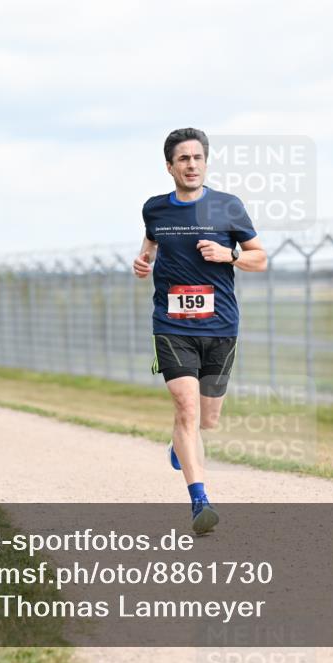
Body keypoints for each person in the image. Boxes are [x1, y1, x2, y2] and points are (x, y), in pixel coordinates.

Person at [133, 128, 267, 534]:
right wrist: (143, 263)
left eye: (198, 158)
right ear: (169, 166)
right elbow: (149, 248)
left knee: (207, 419)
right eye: (183, 159)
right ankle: (200, 502)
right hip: (172, 324)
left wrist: (230, 255)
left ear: (206, 162)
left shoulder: (228, 207)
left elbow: (259, 258)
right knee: (186, 409)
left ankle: (182, 443)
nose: (192, 165)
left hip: (221, 326)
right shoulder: (155, 209)